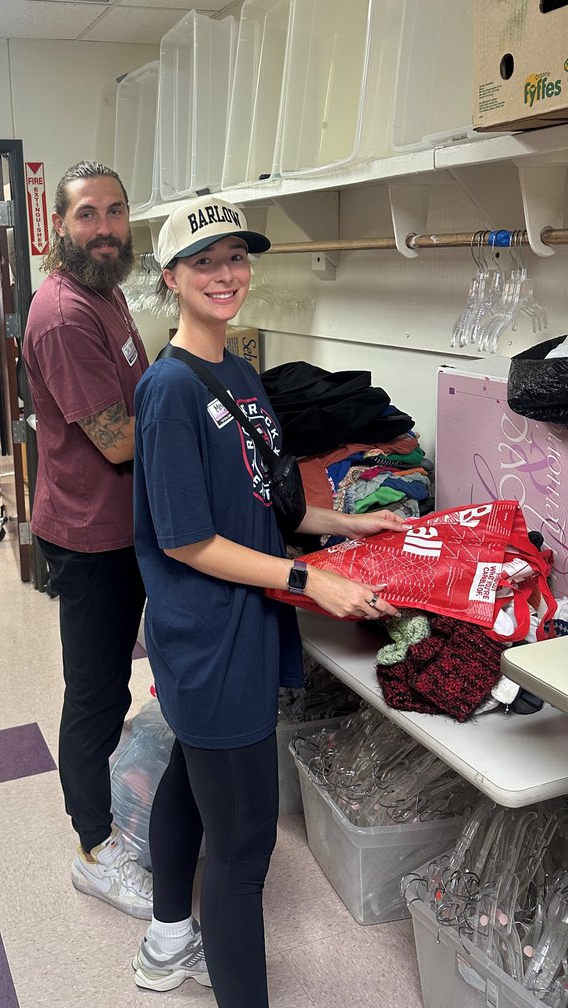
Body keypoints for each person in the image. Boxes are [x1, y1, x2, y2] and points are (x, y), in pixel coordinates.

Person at [131, 198, 409, 1003]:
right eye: (206, 261)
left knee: (190, 773)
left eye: (237, 258)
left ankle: (164, 943)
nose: (226, 275)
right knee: (246, 844)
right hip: (208, 636)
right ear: (171, 276)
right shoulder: (169, 390)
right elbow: (186, 538)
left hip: (244, 624)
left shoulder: (243, 375)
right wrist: (308, 578)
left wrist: (352, 522)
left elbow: (270, 503)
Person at [22, 159, 153, 919]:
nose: (104, 227)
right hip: (91, 536)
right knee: (97, 694)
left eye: (115, 211)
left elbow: (132, 395)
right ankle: (95, 850)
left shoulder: (107, 293)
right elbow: (117, 442)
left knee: (113, 686)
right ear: (58, 228)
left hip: (121, 525)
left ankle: (114, 818)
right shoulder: (65, 313)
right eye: (86, 214)